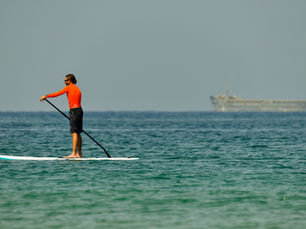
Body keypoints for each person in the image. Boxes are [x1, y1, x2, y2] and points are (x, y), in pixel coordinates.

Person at [40, 74, 83, 158]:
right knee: (77, 133)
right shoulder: (77, 88)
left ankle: (74, 153)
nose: (64, 82)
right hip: (79, 110)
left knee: (74, 133)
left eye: (66, 80)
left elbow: (58, 93)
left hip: (74, 111)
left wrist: (46, 96)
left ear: (70, 81)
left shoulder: (69, 87)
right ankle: (79, 154)